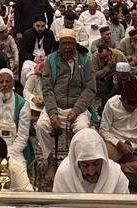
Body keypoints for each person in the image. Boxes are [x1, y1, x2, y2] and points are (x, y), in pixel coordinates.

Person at [38, 28, 96, 180]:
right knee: (41, 126)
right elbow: (47, 88)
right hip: (55, 106)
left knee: (83, 130)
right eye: (64, 44)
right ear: (59, 45)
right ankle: (51, 162)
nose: (68, 47)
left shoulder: (85, 61)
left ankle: (74, 163)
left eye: (71, 43)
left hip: (78, 107)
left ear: (75, 44)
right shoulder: (50, 60)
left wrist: (76, 110)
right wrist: (52, 112)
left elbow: (90, 89)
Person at [99, 77, 137, 179]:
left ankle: (120, 168)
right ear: (121, 99)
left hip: (134, 148)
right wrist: (119, 144)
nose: (131, 111)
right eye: (128, 108)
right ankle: (126, 169)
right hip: (114, 144)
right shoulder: (111, 104)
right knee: (101, 161)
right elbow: (103, 130)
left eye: (134, 108)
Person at [0, 67, 32, 167]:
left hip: (14, 150)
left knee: (19, 169)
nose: (4, 84)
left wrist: (7, 154)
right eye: (1, 82)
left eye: (7, 81)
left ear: (12, 83)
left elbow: (22, 137)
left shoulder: (23, 105)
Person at [52, 127, 130, 194]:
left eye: (96, 163)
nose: (91, 172)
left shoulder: (116, 175)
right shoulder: (64, 174)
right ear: (76, 163)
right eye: (85, 165)